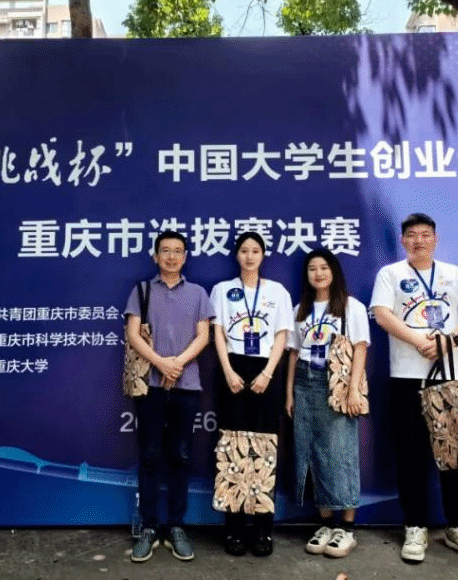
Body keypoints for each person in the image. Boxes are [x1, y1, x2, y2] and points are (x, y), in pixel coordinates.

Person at [369, 213, 458, 564]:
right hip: (407, 376)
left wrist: (450, 341)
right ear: (402, 240)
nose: (418, 240)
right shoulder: (391, 274)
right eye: (411, 235)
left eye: (425, 234)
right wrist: (420, 341)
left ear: (435, 239)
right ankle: (415, 525)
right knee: (411, 455)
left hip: (450, 375)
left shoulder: (454, 274)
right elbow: (382, 313)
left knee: (455, 454)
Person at [124, 230, 213, 563]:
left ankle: (176, 525)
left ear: (185, 257)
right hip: (150, 387)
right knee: (149, 457)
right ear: (155, 256)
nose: (172, 256)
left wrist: (177, 365)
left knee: (180, 457)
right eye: (165, 251)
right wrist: (162, 363)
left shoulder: (198, 293)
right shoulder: (142, 290)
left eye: (178, 251)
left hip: (186, 386)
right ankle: (149, 527)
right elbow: (133, 334)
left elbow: (204, 336)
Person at [210, 231, 293, 557]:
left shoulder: (277, 291)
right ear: (236, 255)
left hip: (266, 370)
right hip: (232, 368)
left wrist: (268, 373)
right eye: (244, 250)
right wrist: (228, 371)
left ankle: (262, 529)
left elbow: (282, 335)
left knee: (264, 449)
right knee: (232, 448)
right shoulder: (222, 290)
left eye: (255, 250)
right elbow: (218, 332)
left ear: (263, 255)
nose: (249, 256)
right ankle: (233, 529)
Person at [285, 247, 369, 560]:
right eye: (312, 269)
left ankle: (347, 528)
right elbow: (294, 353)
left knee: (340, 452)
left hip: (336, 382)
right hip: (304, 381)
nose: (318, 274)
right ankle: (325, 524)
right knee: (311, 452)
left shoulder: (350, 307)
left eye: (324, 267)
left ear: (334, 271)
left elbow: (360, 349)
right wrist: (289, 393)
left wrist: (353, 390)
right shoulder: (300, 309)